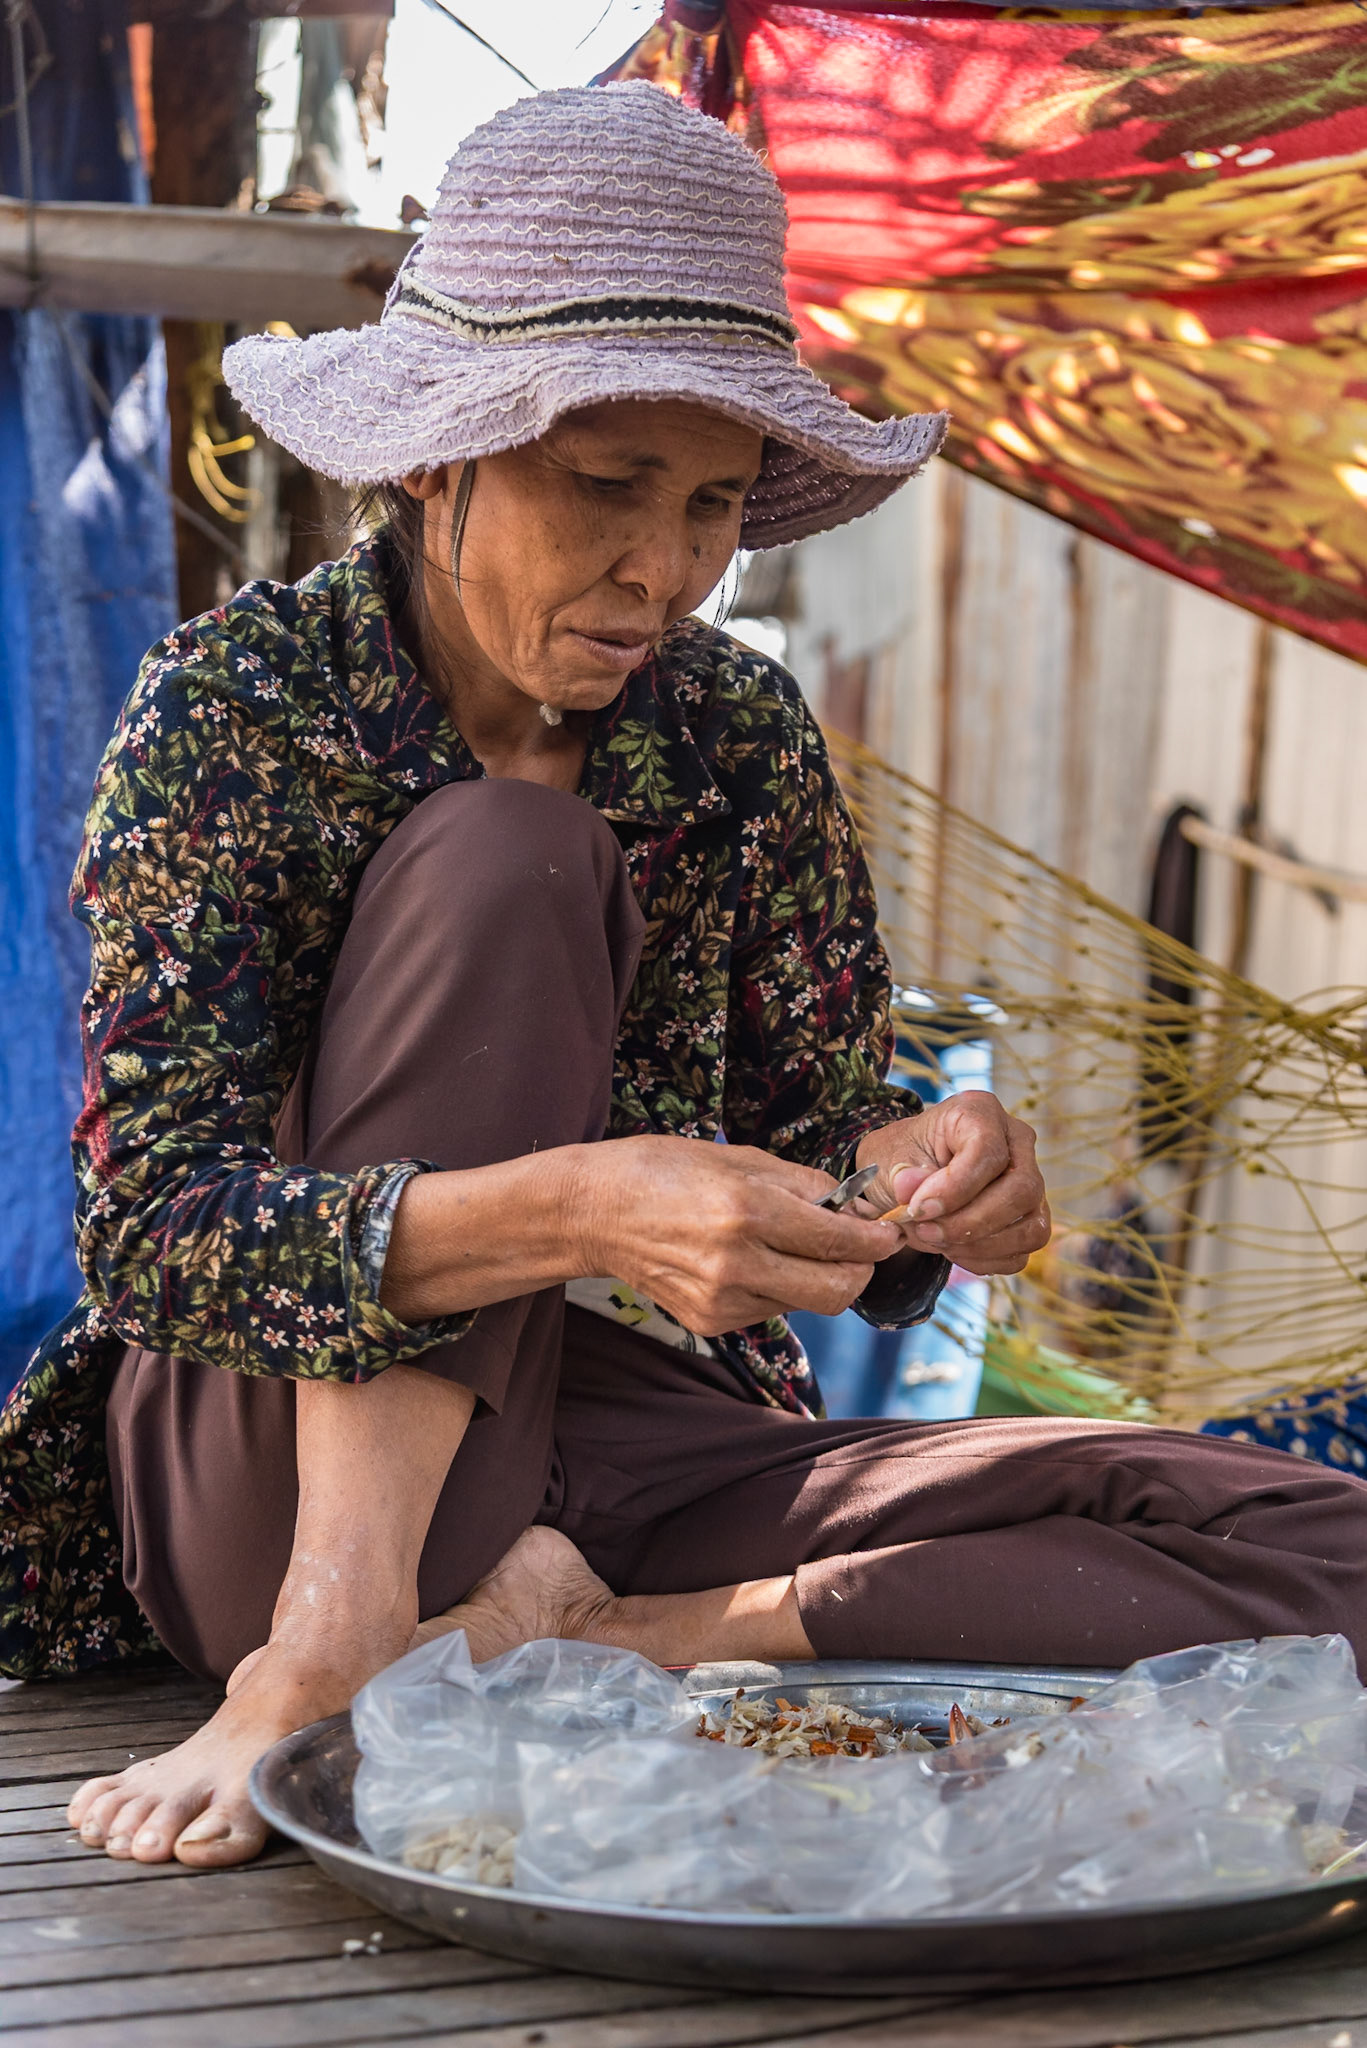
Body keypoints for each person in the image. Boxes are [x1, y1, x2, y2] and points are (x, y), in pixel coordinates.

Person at [4, 83, 1364, 1875]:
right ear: (436, 458)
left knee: (1316, 1546)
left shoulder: (730, 736)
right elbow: (158, 1238)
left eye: (716, 504)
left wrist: (921, 1174)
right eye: (606, 487)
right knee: (510, 858)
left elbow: (813, 1134)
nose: (668, 570)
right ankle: (333, 1649)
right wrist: (578, 1206)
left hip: (623, 1462)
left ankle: (579, 1643)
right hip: (260, 1479)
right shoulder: (238, 715)